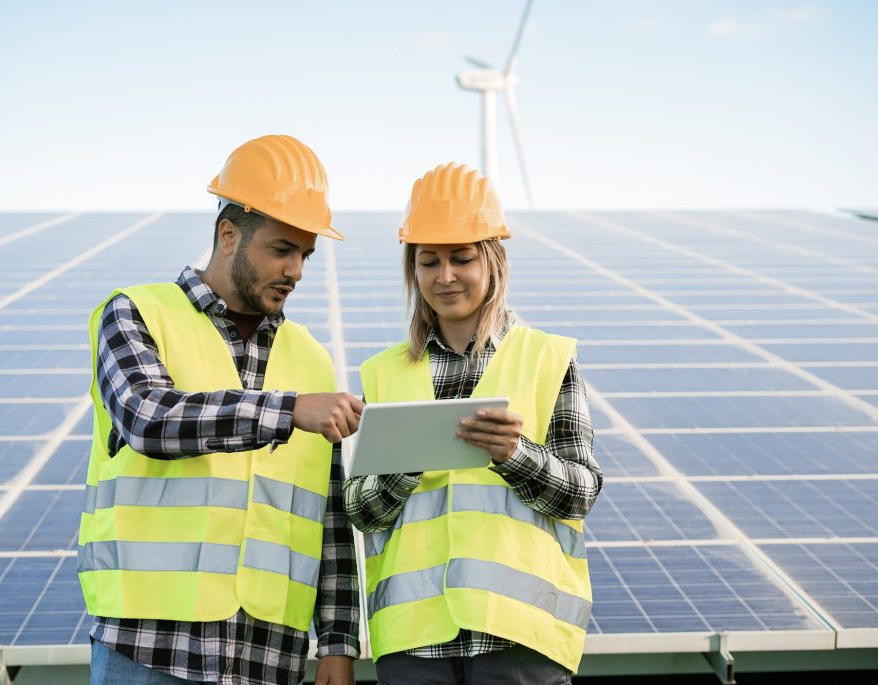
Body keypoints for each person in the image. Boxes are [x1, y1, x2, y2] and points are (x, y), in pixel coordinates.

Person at [78, 134, 364, 685]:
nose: (296, 270)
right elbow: (148, 417)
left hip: (268, 653)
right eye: (282, 249)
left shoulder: (310, 359)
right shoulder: (136, 313)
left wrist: (337, 641)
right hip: (150, 643)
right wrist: (288, 410)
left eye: (304, 254)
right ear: (229, 235)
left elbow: (329, 515)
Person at [344, 162, 603, 684]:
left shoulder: (548, 358)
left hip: (519, 635)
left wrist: (516, 456)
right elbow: (360, 510)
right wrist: (406, 462)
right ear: (411, 269)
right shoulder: (385, 372)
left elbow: (582, 493)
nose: (444, 277)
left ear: (493, 260)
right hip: (414, 641)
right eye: (427, 261)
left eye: (461, 258)